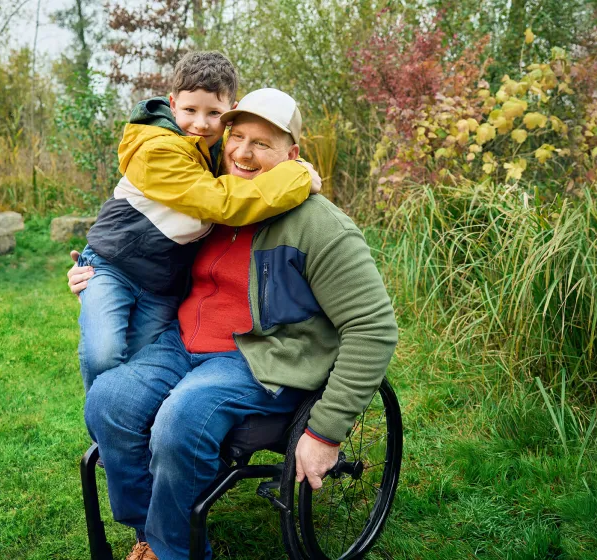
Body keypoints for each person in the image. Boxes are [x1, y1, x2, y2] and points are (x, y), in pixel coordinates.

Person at [68, 89, 398, 560]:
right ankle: (152, 533)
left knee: (180, 419)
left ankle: (172, 552)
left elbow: (374, 326)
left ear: (292, 154)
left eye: (262, 143)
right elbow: (134, 245)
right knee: (108, 400)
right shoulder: (212, 202)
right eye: (236, 136)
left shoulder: (321, 227)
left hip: (258, 357)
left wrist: (326, 432)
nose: (243, 152)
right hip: (181, 342)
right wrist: (94, 273)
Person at [75, 51, 320, 391]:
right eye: (190, 110)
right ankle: (102, 433)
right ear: (173, 105)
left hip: (161, 283)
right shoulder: (158, 150)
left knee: (140, 364)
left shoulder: (213, 152)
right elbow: (222, 201)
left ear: (228, 114)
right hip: (116, 266)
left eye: (214, 114)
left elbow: (258, 163)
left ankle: (135, 429)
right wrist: (297, 178)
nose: (201, 123)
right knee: (104, 353)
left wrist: (290, 166)